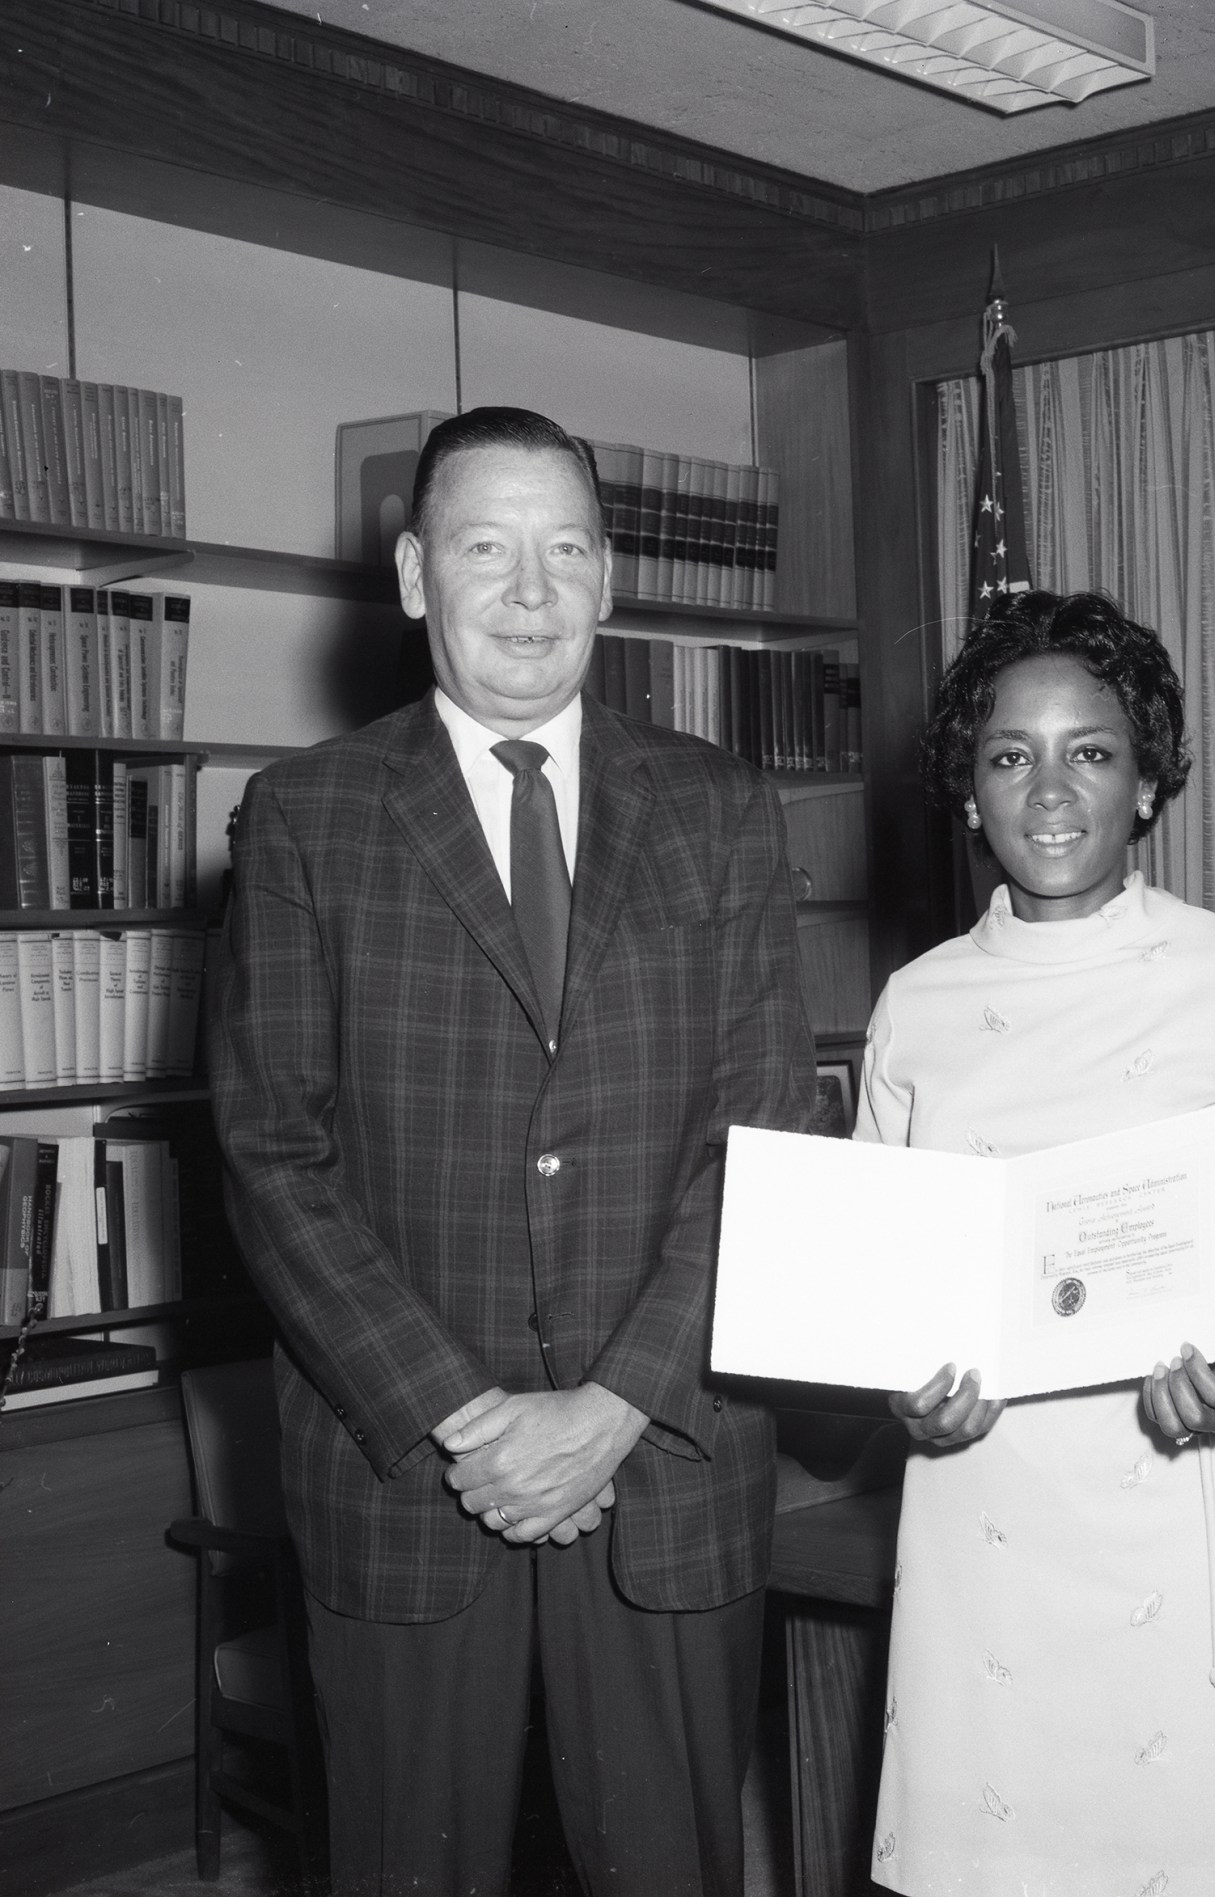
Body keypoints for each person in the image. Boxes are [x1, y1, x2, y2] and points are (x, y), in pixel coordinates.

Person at [209, 407, 812, 1897]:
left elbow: (769, 1138)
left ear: (610, 581)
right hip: (408, 1475)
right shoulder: (306, 820)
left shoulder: (722, 813)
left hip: (664, 1462)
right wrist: (475, 1420)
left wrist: (609, 1408)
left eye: (565, 552)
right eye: (487, 547)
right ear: (415, 574)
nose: (530, 593)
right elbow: (273, 1157)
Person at [861, 590, 1215, 1894]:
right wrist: (909, 1398)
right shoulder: (915, 1005)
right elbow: (894, 1292)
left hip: (1177, 1493)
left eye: (1092, 751)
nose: (1050, 790)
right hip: (983, 1520)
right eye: (1011, 755)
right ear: (969, 793)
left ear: (1149, 786)